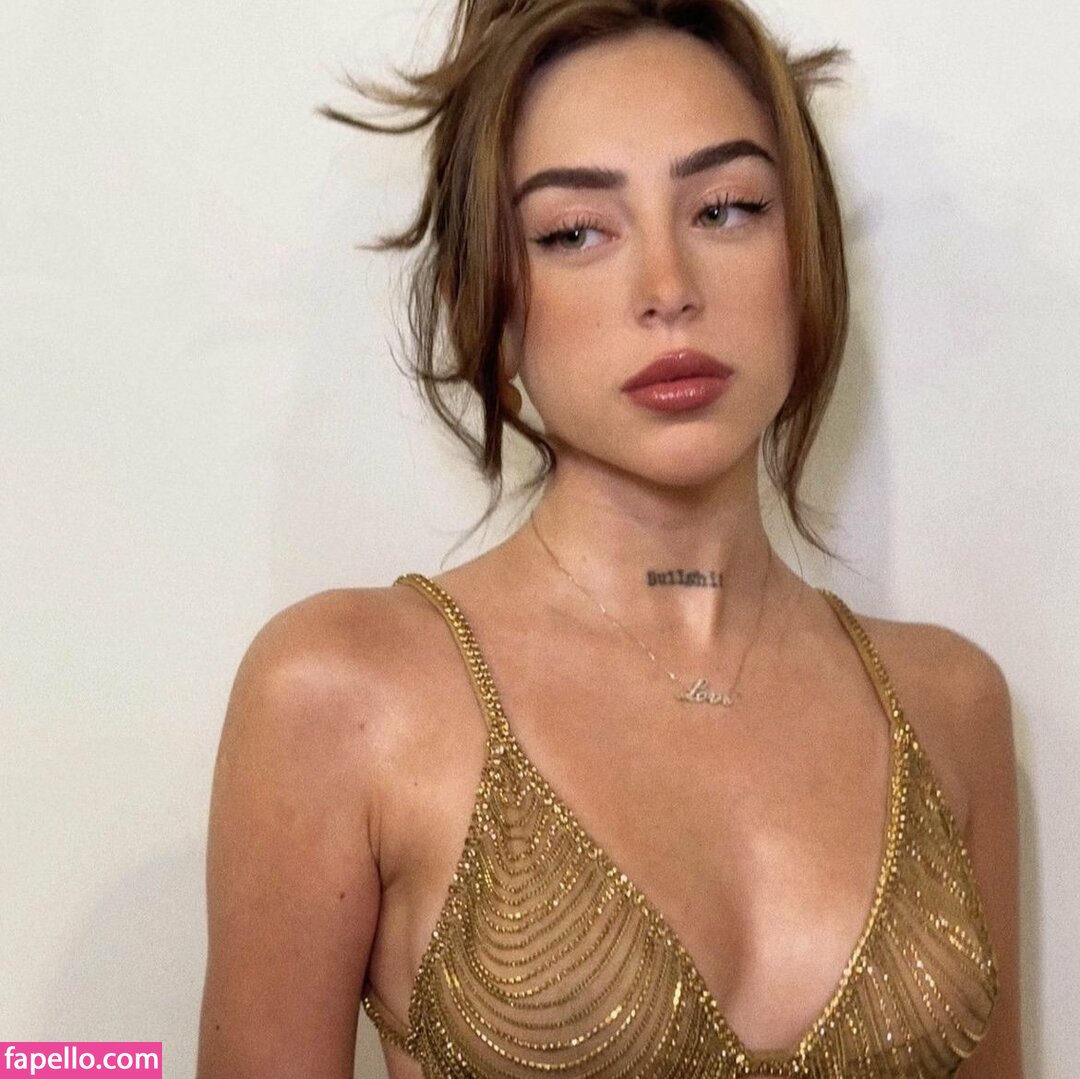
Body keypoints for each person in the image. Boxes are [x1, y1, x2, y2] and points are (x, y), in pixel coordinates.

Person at [196, 1, 1022, 1076]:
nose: (669, 290)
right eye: (575, 232)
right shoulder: (342, 694)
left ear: (805, 256)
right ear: (488, 305)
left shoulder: (950, 702)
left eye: (725, 209)